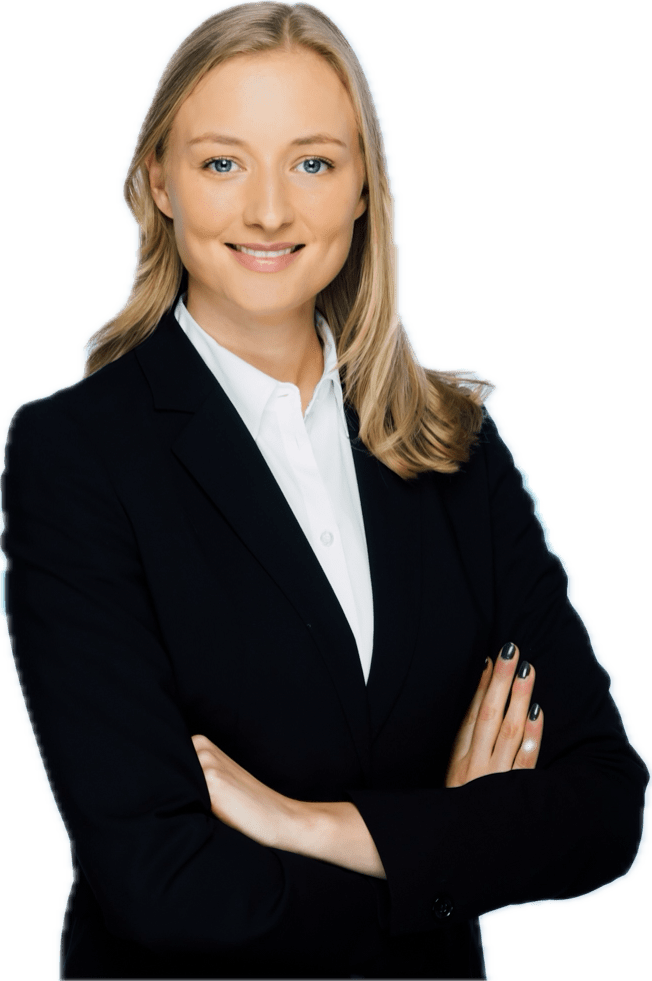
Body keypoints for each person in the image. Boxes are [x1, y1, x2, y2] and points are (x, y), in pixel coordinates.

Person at [0, 3, 647, 979]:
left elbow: (604, 806)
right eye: (223, 162)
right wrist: (444, 840)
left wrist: (310, 825)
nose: (269, 212)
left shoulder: (454, 446)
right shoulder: (74, 454)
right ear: (158, 182)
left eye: (312, 162)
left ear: (363, 190)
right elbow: (158, 880)